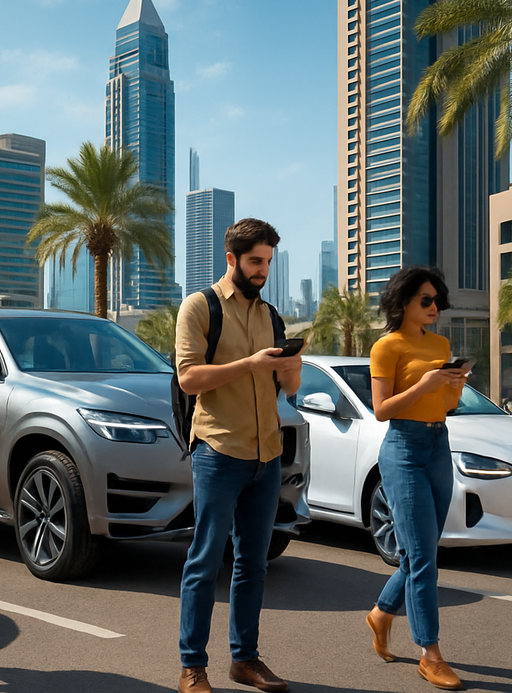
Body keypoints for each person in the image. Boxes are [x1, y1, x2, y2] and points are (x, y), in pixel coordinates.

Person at [174, 218, 301, 693]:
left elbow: (288, 388)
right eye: (255, 261)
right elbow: (189, 378)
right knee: (205, 560)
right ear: (231, 259)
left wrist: (291, 367)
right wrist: (248, 363)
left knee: (253, 562)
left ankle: (244, 659)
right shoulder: (199, 307)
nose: (263, 271)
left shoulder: (271, 315)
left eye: (268, 262)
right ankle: (192, 666)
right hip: (218, 451)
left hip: (267, 455)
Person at [365, 266, 468, 690]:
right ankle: (430, 653)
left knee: (420, 553)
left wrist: (454, 384)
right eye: (426, 299)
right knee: (424, 558)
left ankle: (381, 613)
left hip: (438, 446)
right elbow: (382, 409)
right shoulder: (386, 347)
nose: (433, 307)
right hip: (403, 450)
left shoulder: (441, 343)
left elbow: (445, 405)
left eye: (437, 300)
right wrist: (426, 383)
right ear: (402, 301)